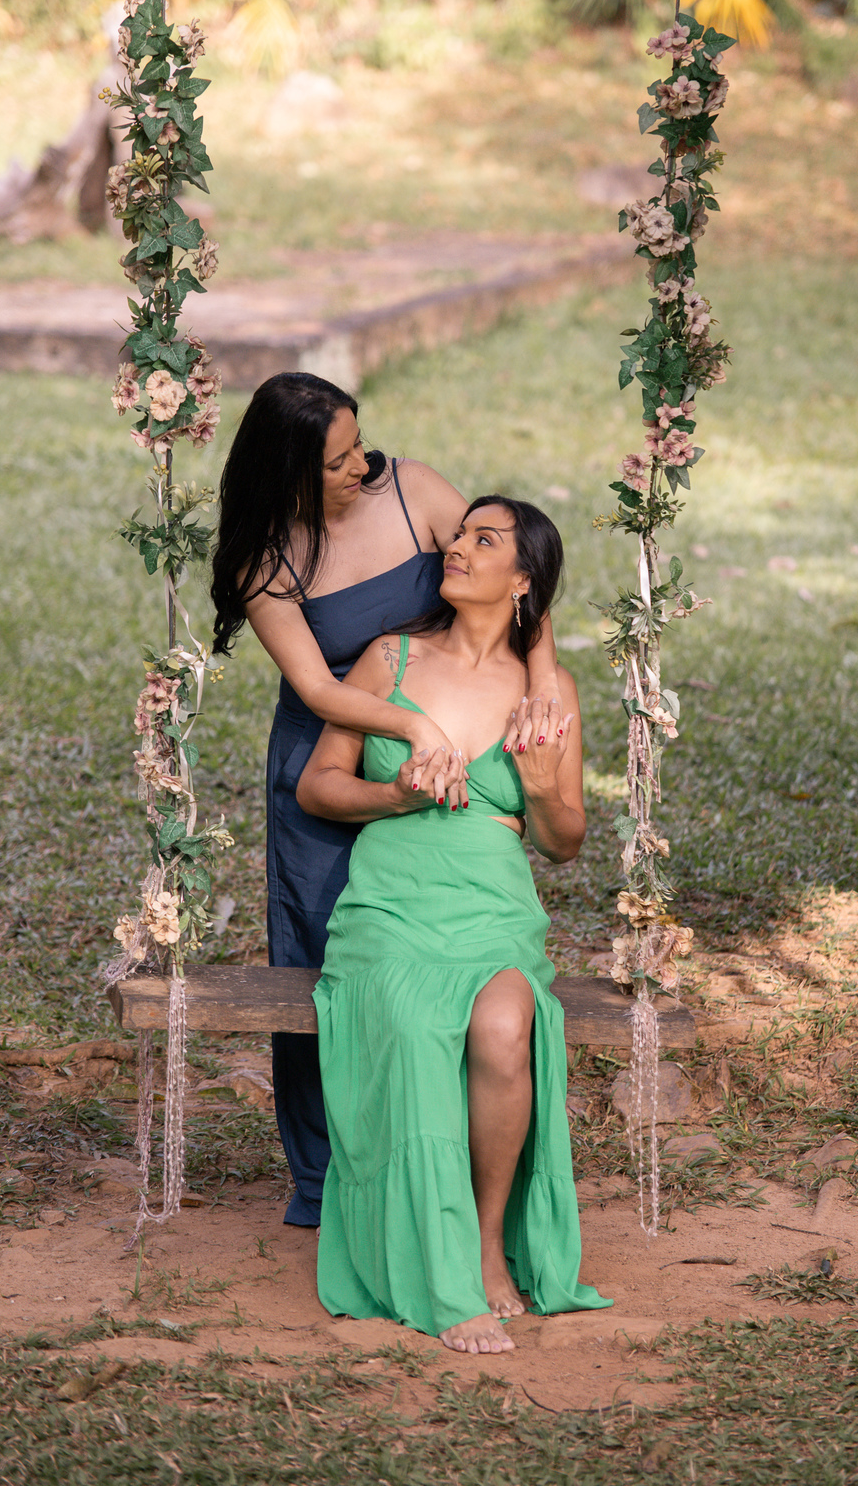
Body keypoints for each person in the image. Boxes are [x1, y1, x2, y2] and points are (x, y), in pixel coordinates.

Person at [210, 374, 565, 1230]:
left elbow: (518, 576)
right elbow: (317, 688)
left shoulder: (413, 490)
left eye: (359, 443)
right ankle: (329, 1180)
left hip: (439, 731)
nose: (361, 465)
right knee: (323, 959)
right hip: (334, 747)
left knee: (428, 963)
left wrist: (546, 676)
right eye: (338, 461)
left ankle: (439, 1164)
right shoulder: (268, 557)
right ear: (289, 472)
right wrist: (411, 726)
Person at [298, 496, 610, 1354]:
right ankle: (427, 1256)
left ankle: (483, 1240)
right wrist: (395, 795)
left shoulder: (550, 693)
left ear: (522, 581)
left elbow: (564, 842)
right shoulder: (389, 659)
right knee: (408, 1022)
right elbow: (318, 785)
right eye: (460, 533)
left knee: (505, 1026)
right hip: (392, 904)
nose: (458, 547)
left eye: (484, 540)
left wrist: (540, 788)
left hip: (491, 905)